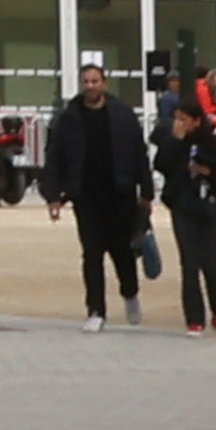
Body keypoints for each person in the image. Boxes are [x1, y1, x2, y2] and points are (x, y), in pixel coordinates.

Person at [47, 62, 154, 320]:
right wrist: (53, 196)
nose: (90, 86)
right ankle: (96, 310)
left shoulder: (122, 114)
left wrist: (146, 191)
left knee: (122, 252)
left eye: (95, 81)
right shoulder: (69, 117)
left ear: (104, 83)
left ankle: (130, 294)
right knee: (91, 254)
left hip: (120, 193)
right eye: (86, 81)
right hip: (85, 195)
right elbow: (55, 157)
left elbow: (138, 153)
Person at [159, 82, 216, 329]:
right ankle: (194, 319)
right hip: (183, 208)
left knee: (210, 263)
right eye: (177, 118)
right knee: (189, 264)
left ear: (196, 121)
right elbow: (161, 164)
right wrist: (175, 143)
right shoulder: (176, 143)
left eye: (183, 119)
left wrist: (209, 171)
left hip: (212, 207)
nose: (179, 123)